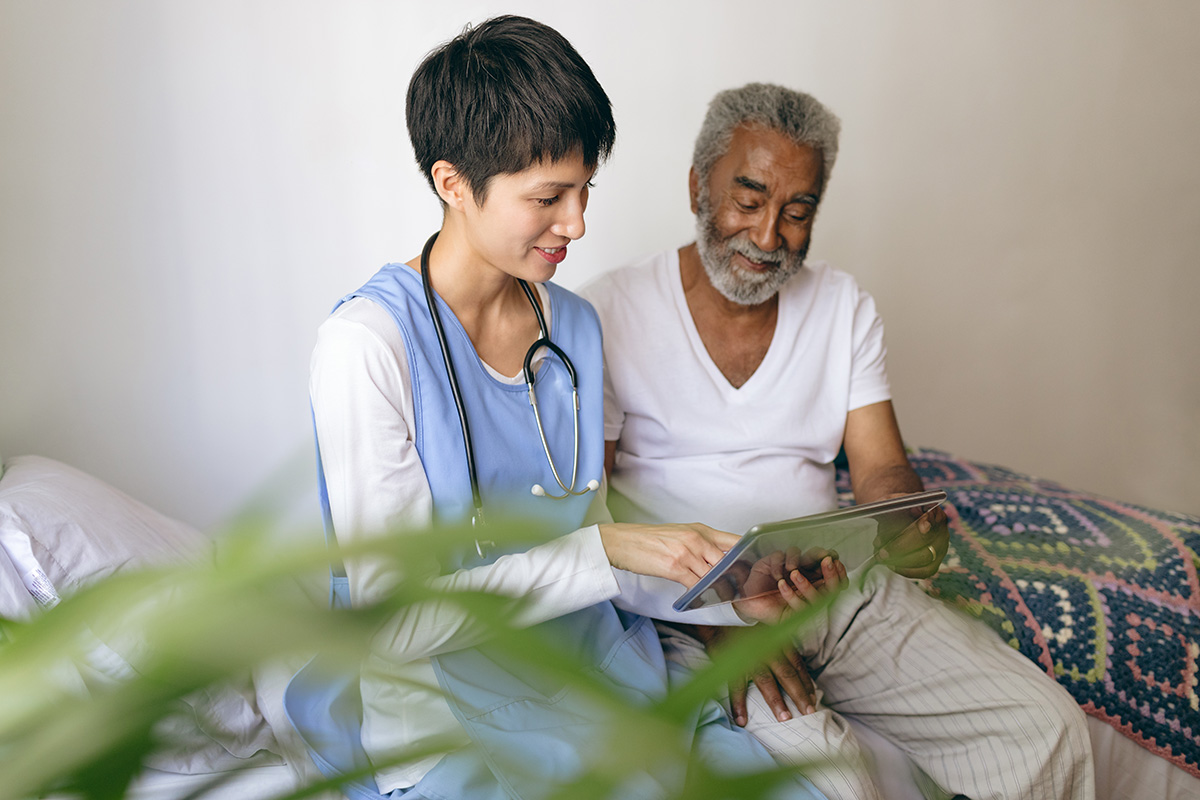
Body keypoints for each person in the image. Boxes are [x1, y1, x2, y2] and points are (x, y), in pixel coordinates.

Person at [295, 20, 827, 800]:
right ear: (452, 184)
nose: (577, 225)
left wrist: (722, 592)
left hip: (597, 671)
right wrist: (609, 547)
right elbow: (399, 624)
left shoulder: (572, 326)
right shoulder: (366, 346)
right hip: (444, 712)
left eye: (584, 192)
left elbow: (596, 548)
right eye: (547, 197)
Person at [580, 83, 1096, 800]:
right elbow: (593, 510)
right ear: (698, 186)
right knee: (838, 785)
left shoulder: (843, 307)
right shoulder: (608, 310)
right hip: (695, 614)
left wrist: (903, 524)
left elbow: (881, 468)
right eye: (749, 200)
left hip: (833, 591)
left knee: (1048, 728)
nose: (768, 237)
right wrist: (718, 626)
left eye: (797, 212)